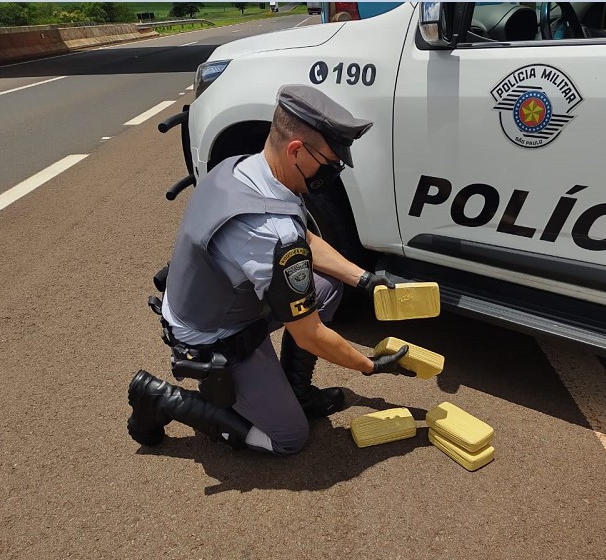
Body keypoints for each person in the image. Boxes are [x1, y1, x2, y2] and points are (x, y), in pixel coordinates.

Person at [127, 84, 409, 455]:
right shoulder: (267, 234)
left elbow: (304, 237)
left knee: (326, 286)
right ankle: (160, 398)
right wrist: (368, 365)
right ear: (296, 150)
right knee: (288, 438)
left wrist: (363, 279)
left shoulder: (246, 167)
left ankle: (296, 390)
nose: (334, 171)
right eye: (329, 163)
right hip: (212, 334)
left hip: (214, 300)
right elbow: (309, 335)